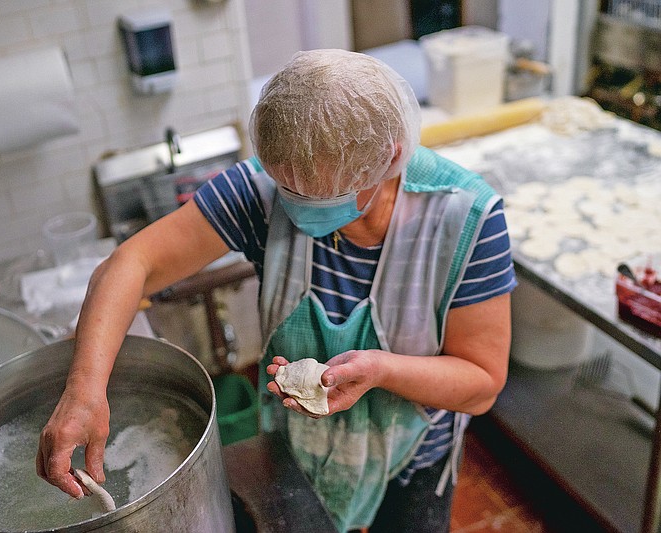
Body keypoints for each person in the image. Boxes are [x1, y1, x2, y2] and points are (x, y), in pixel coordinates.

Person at [37, 49, 515, 533]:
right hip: (296, 445)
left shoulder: (465, 221)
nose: (295, 206)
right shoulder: (264, 190)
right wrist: (85, 389)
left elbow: (481, 383)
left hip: (411, 461)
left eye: (316, 196)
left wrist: (381, 369)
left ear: (390, 157)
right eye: (287, 189)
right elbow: (128, 264)